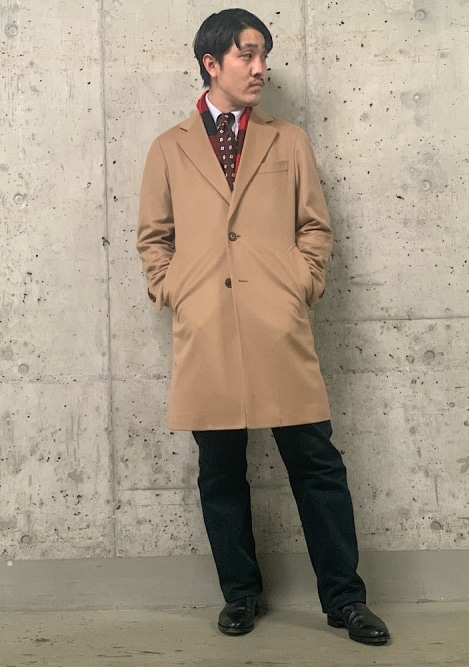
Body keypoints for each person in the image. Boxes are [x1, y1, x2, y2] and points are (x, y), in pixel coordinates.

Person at [136, 8, 390, 646]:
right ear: (211, 63)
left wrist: (299, 283)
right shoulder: (168, 147)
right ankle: (240, 594)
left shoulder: (288, 139)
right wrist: (174, 290)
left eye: (264, 56)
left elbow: (315, 226)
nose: (260, 68)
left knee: (317, 464)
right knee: (219, 471)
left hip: (278, 327)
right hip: (207, 331)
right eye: (247, 55)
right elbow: (154, 237)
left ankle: (345, 599)